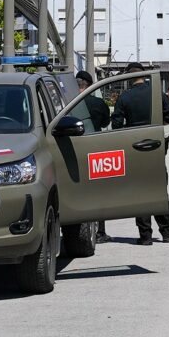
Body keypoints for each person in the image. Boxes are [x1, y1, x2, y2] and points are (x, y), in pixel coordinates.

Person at [111, 62, 169, 245]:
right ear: (144, 75)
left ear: (129, 77)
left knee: (139, 191)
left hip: (134, 148)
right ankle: (167, 232)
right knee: (159, 189)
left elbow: (116, 124)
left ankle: (145, 236)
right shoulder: (157, 94)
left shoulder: (124, 97)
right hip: (156, 147)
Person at [76, 70, 112, 240]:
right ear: (90, 85)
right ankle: (101, 231)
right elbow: (106, 122)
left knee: (77, 190)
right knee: (100, 191)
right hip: (96, 149)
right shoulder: (98, 103)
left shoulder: (68, 104)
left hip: (74, 150)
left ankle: (76, 231)